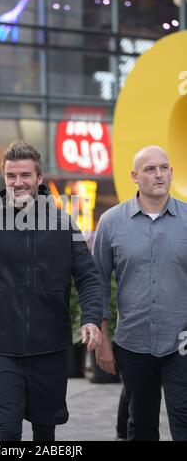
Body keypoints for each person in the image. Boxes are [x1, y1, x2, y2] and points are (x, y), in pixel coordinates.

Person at [0, 139, 103, 441]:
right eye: (11, 176)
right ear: (4, 178)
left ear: (39, 178)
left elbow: (88, 276)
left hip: (51, 350)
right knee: (7, 432)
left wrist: (91, 318)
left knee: (45, 433)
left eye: (25, 176)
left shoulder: (64, 225)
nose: (17, 183)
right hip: (0, 349)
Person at [93, 145, 187, 441]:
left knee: (184, 420)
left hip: (182, 343)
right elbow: (95, 284)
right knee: (141, 426)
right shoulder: (110, 223)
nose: (158, 174)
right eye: (150, 169)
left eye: (163, 167)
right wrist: (102, 342)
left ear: (172, 172)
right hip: (132, 344)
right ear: (134, 176)